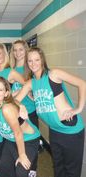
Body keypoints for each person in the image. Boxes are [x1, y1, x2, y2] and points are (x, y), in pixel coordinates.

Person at [16, 47, 86, 177]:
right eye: (30, 61)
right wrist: (21, 106)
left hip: (70, 130)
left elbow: (82, 83)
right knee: (58, 167)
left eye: (37, 59)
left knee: (71, 170)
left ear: (42, 60)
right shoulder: (31, 83)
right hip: (54, 130)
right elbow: (15, 100)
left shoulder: (53, 74)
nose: (33, 63)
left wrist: (78, 108)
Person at [0, 77, 40, 177]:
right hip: (11, 140)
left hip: (27, 140)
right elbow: (13, 100)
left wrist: (22, 155)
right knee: (4, 169)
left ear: (6, 93)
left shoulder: (6, 108)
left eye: (0, 90)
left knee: (21, 170)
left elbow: (18, 133)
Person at [9, 40, 39, 176]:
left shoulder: (31, 68)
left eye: (21, 49)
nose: (18, 53)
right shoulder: (11, 69)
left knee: (32, 142)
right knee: (18, 140)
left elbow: (34, 89)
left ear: (26, 50)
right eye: (15, 50)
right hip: (15, 112)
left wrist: (31, 93)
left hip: (30, 111)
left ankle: (32, 169)